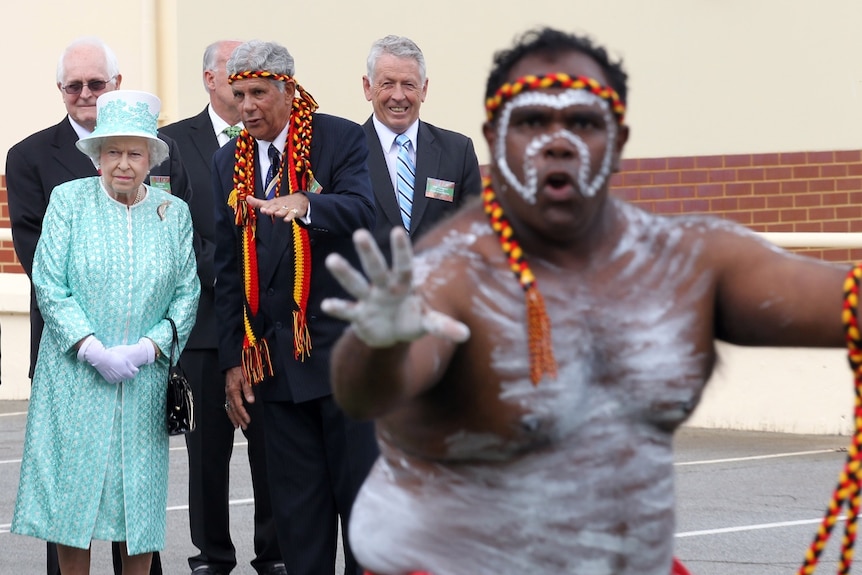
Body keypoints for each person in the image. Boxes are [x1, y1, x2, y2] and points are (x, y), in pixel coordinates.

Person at [321, 27, 851, 575]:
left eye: (581, 121)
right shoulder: (458, 269)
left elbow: (835, 298)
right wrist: (377, 345)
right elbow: (376, 384)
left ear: (617, 137)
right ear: (497, 138)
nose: (558, 140)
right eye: (531, 121)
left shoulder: (686, 258)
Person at [4, 35, 193, 575]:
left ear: (150, 156)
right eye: (112, 151)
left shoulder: (172, 212)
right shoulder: (67, 201)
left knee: (137, 507)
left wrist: (148, 347)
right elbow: (49, 281)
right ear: (98, 156)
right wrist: (91, 348)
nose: (124, 163)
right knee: (73, 504)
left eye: (135, 152)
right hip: (74, 374)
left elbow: (188, 290)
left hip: (143, 376)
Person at [211, 40, 378, 575]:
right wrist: (234, 359)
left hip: (343, 359)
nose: (248, 107)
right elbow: (226, 266)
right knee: (297, 516)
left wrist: (307, 204)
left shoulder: (340, 137)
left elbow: (363, 210)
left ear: (287, 89)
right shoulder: (227, 161)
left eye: (258, 92)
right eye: (239, 95)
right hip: (276, 365)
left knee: (362, 509)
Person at [160, 39, 284, 575]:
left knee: (272, 447)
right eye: (234, 75)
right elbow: (171, 227)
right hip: (207, 325)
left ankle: (274, 551)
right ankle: (212, 554)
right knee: (207, 454)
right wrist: (232, 270)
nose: (244, 85)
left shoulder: (282, 142)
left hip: (269, 326)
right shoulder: (171, 142)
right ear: (211, 80)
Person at [361, 35, 481, 254]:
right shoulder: (344, 152)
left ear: (424, 89)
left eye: (409, 85)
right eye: (387, 84)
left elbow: (476, 234)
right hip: (370, 287)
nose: (398, 96)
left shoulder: (458, 151)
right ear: (368, 87)